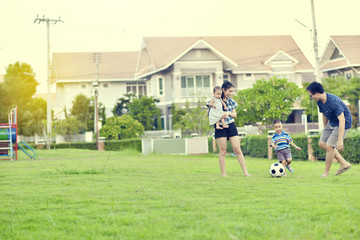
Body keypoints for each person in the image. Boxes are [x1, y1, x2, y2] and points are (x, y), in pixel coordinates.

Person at [306, 81, 352, 177]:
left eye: (311, 96)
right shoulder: (319, 102)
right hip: (331, 123)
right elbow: (324, 115)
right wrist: (325, 128)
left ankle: (326, 173)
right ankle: (344, 163)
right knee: (322, 144)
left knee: (329, 147)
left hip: (343, 123)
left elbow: (342, 120)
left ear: (317, 94)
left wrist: (340, 140)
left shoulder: (333, 101)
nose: (311, 98)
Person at [214, 81, 250, 177]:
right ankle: (223, 174)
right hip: (220, 126)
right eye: (229, 91)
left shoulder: (231, 101)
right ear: (223, 90)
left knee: (237, 149)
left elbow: (235, 115)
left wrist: (229, 113)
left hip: (231, 125)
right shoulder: (216, 99)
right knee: (223, 151)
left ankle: (245, 172)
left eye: (232, 91)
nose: (230, 93)